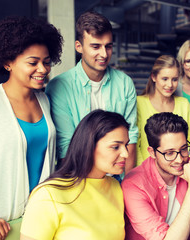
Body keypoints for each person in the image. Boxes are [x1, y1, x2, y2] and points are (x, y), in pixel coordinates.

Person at [0, 16, 63, 239]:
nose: (42, 69)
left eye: (46, 62)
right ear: (8, 62)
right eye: (33, 62)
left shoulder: (44, 101)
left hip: (38, 222)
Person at [45, 10, 138, 174]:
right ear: (78, 46)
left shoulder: (125, 83)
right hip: (79, 178)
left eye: (108, 46)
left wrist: (127, 186)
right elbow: (66, 147)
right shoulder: (59, 87)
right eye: (96, 46)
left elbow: (130, 137)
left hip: (117, 178)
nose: (104, 54)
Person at [20, 110, 129, 240]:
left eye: (126, 145)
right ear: (89, 146)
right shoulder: (48, 194)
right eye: (115, 147)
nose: (126, 154)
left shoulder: (115, 187)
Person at [122, 112, 190, 240]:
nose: (179, 159)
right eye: (169, 153)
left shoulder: (188, 170)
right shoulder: (133, 185)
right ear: (152, 152)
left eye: (183, 149)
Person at [136, 55, 190, 166]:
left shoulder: (183, 104)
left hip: (180, 169)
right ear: (154, 77)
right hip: (148, 172)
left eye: (174, 79)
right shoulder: (139, 103)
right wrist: (145, 171)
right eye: (165, 79)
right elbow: (136, 144)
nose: (170, 85)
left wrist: (182, 164)